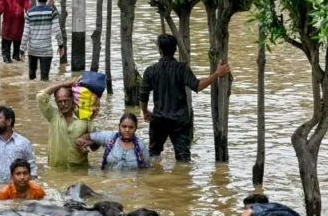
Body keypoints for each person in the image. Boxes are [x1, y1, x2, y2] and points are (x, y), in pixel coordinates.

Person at [140, 34, 230, 162]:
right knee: (184, 158)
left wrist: (145, 111)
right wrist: (217, 74)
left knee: (153, 155)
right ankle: (184, 180)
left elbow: (143, 95)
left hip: (159, 119)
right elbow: (197, 86)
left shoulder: (151, 70)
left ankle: (155, 178)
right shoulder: (182, 69)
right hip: (179, 121)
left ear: (160, 49)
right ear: (175, 49)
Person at [37, 79, 92, 169]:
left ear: (72, 99)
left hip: (79, 170)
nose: (63, 104)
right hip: (55, 169)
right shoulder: (52, 115)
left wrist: (88, 143)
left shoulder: (84, 117)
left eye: (66, 101)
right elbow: (41, 97)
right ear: (55, 102)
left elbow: (98, 138)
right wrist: (62, 84)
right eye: (59, 101)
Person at [78, 113, 150, 171]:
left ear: (135, 129)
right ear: (119, 126)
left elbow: (146, 169)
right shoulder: (109, 137)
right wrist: (83, 145)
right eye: (124, 126)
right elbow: (84, 138)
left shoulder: (141, 146)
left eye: (131, 127)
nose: (127, 130)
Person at [19, 0, 64, 80]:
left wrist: (22, 50)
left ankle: (31, 94)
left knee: (32, 77)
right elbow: (57, 31)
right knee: (44, 79)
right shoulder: (52, 12)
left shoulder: (29, 13)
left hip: (32, 49)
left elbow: (26, 33)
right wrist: (61, 46)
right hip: (46, 51)